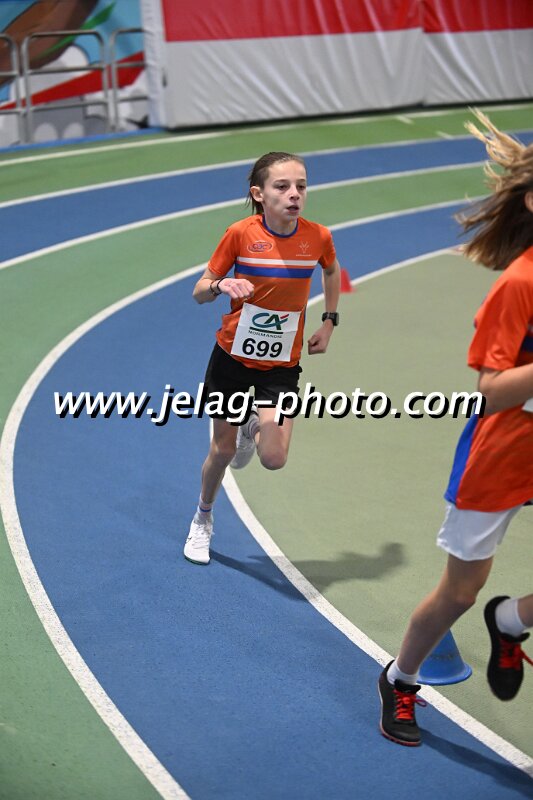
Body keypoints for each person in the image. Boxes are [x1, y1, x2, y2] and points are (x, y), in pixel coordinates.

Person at [378, 110, 533, 747]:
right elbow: (491, 391)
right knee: (460, 593)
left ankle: (512, 622)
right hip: (502, 453)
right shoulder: (519, 284)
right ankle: (401, 678)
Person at [184, 151, 341, 565]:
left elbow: (331, 270)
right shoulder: (240, 234)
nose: (294, 194)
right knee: (222, 451)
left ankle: (252, 422)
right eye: (282, 186)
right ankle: (202, 518)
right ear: (259, 194)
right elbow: (199, 291)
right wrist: (221, 285)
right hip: (232, 359)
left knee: (273, 458)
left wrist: (329, 321)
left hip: (282, 365)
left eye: (301, 186)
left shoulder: (318, 237)